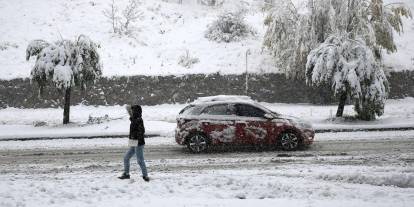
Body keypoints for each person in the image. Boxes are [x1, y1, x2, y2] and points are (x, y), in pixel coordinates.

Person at [118, 104, 149, 182]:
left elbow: (142, 131)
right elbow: (131, 116)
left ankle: (145, 176)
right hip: (133, 141)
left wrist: (135, 137)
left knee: (140, 160)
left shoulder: (139, 120)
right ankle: (126, 174)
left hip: (138, 143)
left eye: (132, 110)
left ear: (136, 111)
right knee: (126, 158)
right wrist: (129, 110)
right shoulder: (134, 119)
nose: (131, 112)